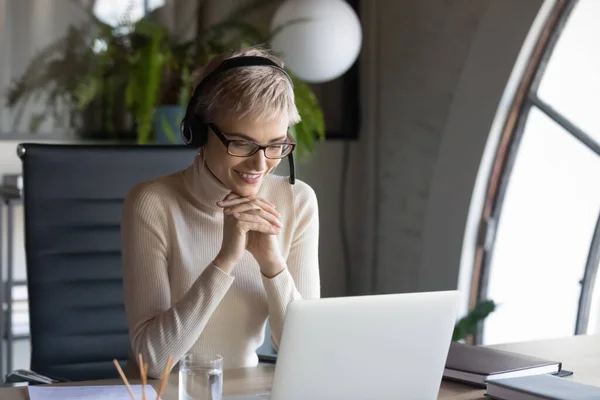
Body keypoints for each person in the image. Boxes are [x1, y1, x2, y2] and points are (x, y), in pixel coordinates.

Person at [120, 47, 321, 378]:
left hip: (245, 391)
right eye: (241, 143)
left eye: (275, 144)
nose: (260, 165)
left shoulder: (297, 201)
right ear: (198, 132)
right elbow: (152, 363)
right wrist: (225, 260)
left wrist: (272, 265)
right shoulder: (152, 203)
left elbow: (309, 355)